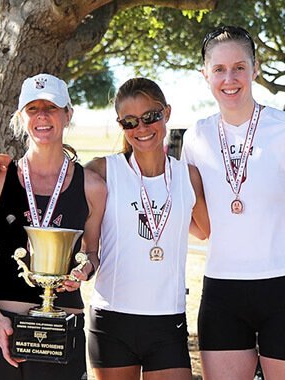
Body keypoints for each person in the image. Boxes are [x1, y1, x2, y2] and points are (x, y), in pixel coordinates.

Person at [183, 25, 285, 379]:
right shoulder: (195, 137)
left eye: (239, 67)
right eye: (219, 69)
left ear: (256, 69)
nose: (229, 78)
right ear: (205, 74)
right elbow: (200, 225)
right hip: (222, 291)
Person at [0, 73, 106, 380]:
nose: (42, 116)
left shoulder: (92, 186)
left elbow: (93, 253)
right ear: (20, 117)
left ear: (68, 114)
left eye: (51, 107)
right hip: (2, 325)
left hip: (61, 330)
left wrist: (85, 270)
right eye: (32, 108)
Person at [85, 78, 210, 380]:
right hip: (112, 318)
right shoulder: (102, 171)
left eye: (150, 117)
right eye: (130, 122)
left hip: (168, 320)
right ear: (121, 125)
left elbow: (203, 230)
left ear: (166, 113)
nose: (141, 129)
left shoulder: (188, 176)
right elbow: (88, 247)